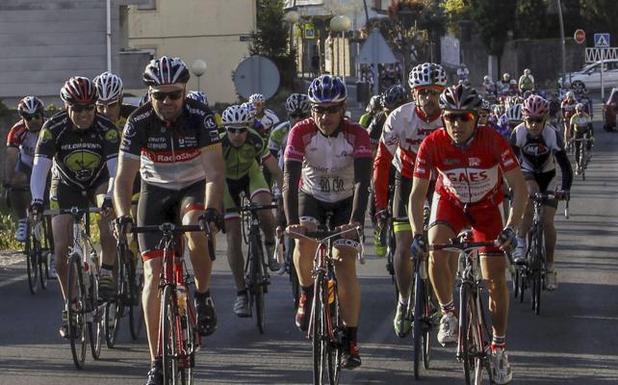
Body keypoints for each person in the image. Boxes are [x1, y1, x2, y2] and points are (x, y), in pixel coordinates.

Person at [112, 56, 224, 385]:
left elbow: (216, 172)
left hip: (192, 186)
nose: (166, 102)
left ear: (185, 91)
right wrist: (121, 215)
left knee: (196, 230)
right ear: (149, 94)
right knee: (151, 275)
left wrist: (213, 210)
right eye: (158, 95)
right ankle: (157, 361)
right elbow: (122, 179)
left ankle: (202, 295)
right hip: (154, 190)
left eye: (173, 95)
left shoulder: (201, 117)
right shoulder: (138, 121)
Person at [408, 84, 527, 385]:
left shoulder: (493, 142)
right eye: (450, 117)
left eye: (464, 118)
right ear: (443, 118)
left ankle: (499, 347)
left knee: (495, 278)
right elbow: (417, 194)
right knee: (435, 247)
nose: (456, 124)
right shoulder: (432, 144)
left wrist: (512, 226)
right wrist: (416, 232)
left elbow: (520, 188)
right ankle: (448, 312)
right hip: (450, 203)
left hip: (487, 207)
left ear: (476, 118)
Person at [283, 75, 371, 369]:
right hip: (312, 196)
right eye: (319, 110)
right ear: (311, 110)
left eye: (332, 110)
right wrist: (292, 222)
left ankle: (351, 339)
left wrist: (356, 222)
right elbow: (290, 179)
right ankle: (307, 293)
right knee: (304, 243)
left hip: (347, 200)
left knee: (345, 263)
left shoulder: (357, 134)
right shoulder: (300, 132)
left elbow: (362, 183)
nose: (325, 116)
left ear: (343, 109)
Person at [29, 77, 119, 336]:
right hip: (65, 184)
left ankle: (106, 271)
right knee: (61, 250)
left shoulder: (107, 128)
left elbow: (115, 170)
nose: (83, 114)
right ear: (66, 106)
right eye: (77, 108)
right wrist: (37, 200)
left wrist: (111, 197)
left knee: (107, 214)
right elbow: (40, 168)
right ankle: (71, 304)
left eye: (89, 107)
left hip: (99, 181)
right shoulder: (53, 128)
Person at [372, 62, 446, 337]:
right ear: (414, 93)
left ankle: (441, 303)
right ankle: (404, 302)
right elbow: (381, 163)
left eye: (435, 92)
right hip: (406, 179)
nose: (429, 98)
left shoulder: (449, 118)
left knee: (439, 245)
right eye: (423, 92)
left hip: (439, 181)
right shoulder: (398, 118)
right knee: (403, 247)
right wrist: (380, 205)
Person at [219, 104, 283, 317]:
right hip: (226, 183)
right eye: (232, 130)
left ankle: (269, 245)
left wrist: (285, 188)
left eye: (242, 130)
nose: (237, 135)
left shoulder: (255, 139)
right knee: (233, 236)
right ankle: (241, 293)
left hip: (250, 177)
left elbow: (272, 166)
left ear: (248, 128)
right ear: (226, 129)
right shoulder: (218, 143)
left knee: (264, 208)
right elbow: (210, 174)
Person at [510, 95, 573, 290]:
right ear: (524, 119)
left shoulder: (552, 134)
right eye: (530, 121)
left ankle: (550, 267)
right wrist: (508, 185)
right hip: (527, 172)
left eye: (538, 121)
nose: (534, 125)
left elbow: (565, 166)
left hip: (548, 175)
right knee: (529, 194)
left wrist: (565, 189)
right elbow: (509, 162)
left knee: (547, 222)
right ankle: (520, 243)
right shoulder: (518, 133)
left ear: (545, 119)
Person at [367, 84, 408, 258]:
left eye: (395, 110)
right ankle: (379, 227)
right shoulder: (378, 120)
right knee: (373, 197)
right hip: (384, 163)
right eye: (387, 111)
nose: (391, 115)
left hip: (404, 166)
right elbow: (370, 149)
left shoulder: (411, 117)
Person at [4, 97, 45, 243]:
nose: (33, 120)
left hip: (47, 166)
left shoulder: (49, 127)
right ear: (22, 118)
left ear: (42, 115)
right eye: (28, 117)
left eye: (36, 116)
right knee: (16, 182)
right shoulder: (17, 130)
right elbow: (11, 156)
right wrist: (9, 180)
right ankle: (22, 220)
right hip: (27, 165)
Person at [569, 103, 595, 173]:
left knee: (589, 138)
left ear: (584, 110)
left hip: (586, 131)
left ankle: (588, 152)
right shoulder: (573, 117)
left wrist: (592, 137)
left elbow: (591, 128)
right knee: (577, 148)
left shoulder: (587, 116)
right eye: (578, 111)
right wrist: (571, 137)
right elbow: (571, 130)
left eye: (581, 111)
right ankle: (577, 165)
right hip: (577, 132)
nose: (580, 112)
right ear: (576, 111)